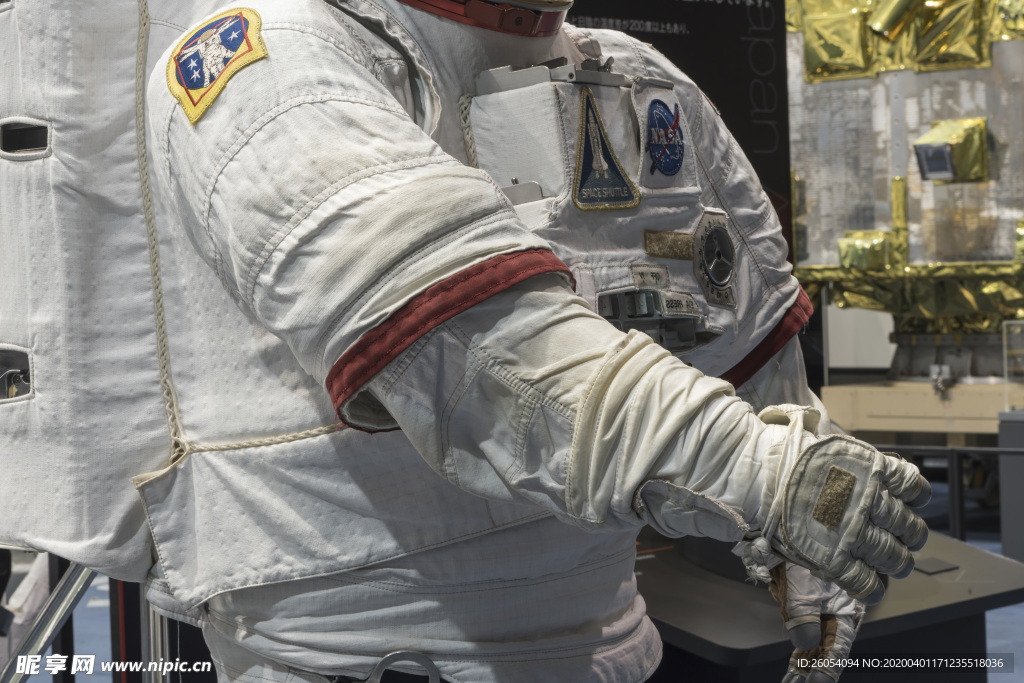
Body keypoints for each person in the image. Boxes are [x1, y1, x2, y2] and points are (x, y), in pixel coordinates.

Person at [0, 1, 927, 682]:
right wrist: (764, 477)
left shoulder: (636, 83)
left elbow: (748, 338)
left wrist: (803, 540)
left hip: (612, 634)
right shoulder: (263, 59)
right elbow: (476, 349)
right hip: (366, 655)